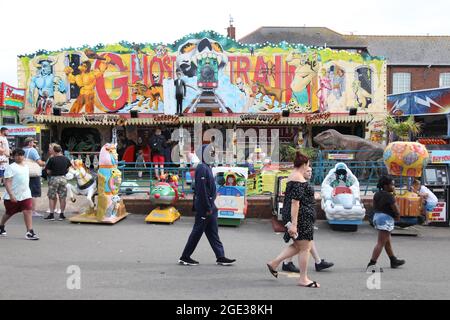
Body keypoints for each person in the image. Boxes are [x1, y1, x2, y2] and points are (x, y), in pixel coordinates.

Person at [267, 152, 320, 288]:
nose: (308, 167)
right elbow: (295, 203)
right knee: (305, 248)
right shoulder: (298, 179)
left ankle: (274, 263)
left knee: (298, 246)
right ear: (304, 164)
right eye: (308, 165)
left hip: (298, 216)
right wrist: (294, 224)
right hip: (301, 218)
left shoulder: (293, 176)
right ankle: (303, 278)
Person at [178, 144, 236, 266]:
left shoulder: (206, 167)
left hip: (210, 206)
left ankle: (220, 256)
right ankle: (185, 256)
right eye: (210, 153)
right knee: (197, 232)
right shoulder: (202, 168)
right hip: (206, 207)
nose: (213, 155)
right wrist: (208, 207)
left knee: (213, 232)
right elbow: (202, 190)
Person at [282, 166, 334, 273]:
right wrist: (294, 223)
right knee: (302, 244)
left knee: (305, 242)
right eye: (307, 171)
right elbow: (295, 202)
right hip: (298, 218)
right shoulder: (298, 183)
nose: (310, 173)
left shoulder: (300, 183)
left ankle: (317, 262)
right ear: (301, 172)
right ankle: (278, 262)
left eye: (311, 171)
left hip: (301, 218)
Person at [367, 176, 405, 271]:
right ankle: (372, 264)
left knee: (387, 241)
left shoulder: (377, 194)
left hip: (377, 217)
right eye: (392, 184)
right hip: (386, 219)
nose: (393, 186)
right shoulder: (389, 196)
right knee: (380, 243)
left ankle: (393, 260)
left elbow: (374, 206)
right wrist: (397, 215)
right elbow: (395, 207)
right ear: (385, 186)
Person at [0, 148, 39, 240]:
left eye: (21, 155)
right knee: (9, 213)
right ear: (13, 157)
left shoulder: (26, 166)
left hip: (25, 195)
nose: (19, 157)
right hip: (13, 196)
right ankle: (1, 226)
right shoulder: (11, 167)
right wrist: (11, 195)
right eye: (17, 155)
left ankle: (30, 232)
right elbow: (7, 182)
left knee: (28, 211)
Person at [44, 144, 71, 221]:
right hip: (63, 178)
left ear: (54, 151)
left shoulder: (52, 159)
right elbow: (68, 169)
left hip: (54, 178)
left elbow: (48, 171)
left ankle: (51, 214)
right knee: (62, 197)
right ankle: (62, 214)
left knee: (52, 196)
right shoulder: (66, 159)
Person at [23, 137, 46, 217]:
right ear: (29, 143)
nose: (34, 144)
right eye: (33, 142)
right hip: (33, 174)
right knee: (34, 193)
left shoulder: (23, 150)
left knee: (27, 192)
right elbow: (39, 162)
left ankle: (26, 209)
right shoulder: (32, 150)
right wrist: (45, 163)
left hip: (25, 173)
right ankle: (33, 211)